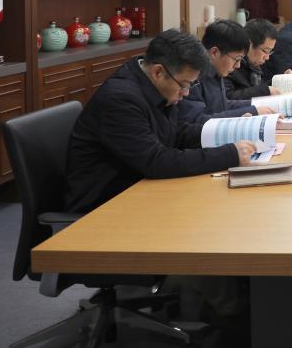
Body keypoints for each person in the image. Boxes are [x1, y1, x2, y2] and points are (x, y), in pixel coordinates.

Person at [65, 29, 253, 214]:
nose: (186, 93)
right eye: (184, 85)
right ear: (158, 72)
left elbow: (177, 132)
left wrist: (229, 131)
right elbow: (156, 161)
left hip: (141, 191)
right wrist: (228, 154)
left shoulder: (155, 83)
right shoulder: (121, 100)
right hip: (102, 206)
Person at [179, 20, 271, 125]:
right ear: (215, 52)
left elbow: (223, 105)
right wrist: (253, 111)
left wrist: (258, 105)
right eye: (237, 59)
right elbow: (197, 121)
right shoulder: (193, 75)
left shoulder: (216, 70)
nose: (238, 65)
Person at [224, 18, 282, 100]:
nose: (267, 57)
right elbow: (228, 98)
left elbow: (262, 86)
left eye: (270, 51)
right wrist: (264, 90)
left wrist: (282, 80)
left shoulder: (256, 63)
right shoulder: (231, 63)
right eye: (265, 51)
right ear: (249, 44)